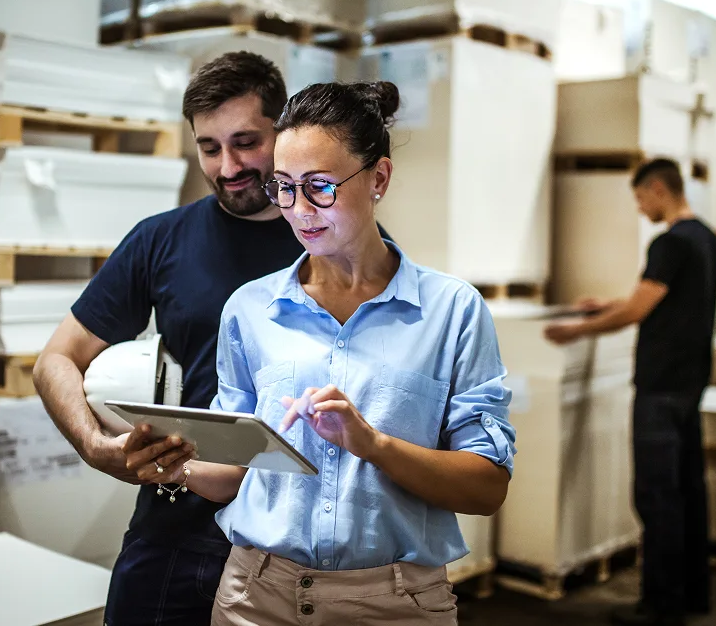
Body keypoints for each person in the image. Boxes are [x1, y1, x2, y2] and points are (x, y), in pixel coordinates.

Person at [133, 81, 516, 626]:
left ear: (378, 177)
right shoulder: (250, 309)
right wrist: (177, 464)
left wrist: (373, 443)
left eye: (319, 186)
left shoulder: (452, 311)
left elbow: (486, 487)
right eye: (283, 187)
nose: (299, 210)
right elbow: (240, 472)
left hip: (395, 604)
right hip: (254, 598)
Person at [34, 52, 385, 626]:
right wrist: (97, 449)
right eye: (209, 147)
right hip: (174, 529)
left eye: (247, 142)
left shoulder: (339, 241)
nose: (228, 167)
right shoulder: (160, 240)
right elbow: (56, 360)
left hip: (292, 548)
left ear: (284, 131)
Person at [543, 158, 716, 626]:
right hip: (690, 384)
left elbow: (637, 312)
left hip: (660, 388)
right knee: (688, 491)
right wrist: (610, 302)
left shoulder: (669, 242)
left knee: (656, 495)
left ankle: (661, 607)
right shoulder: (705, 238)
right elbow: (663, 299)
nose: (641, 209)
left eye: (641, 198)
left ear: (659, 189)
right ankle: (693, 595)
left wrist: (577, 331)